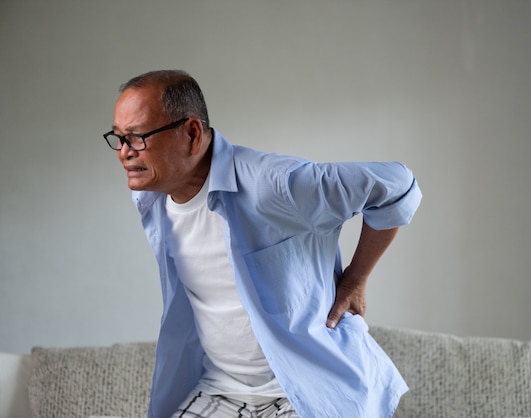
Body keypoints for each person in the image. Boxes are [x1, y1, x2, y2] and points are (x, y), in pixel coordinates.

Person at [103, 70, 422, 418]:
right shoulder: (153, 199)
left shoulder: (276, 184)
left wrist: (356, 277)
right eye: (118, 138)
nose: (123, 153)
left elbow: (398, 186)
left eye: (136, 137)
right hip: (219, 390)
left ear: (192, 133)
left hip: (304, 393)